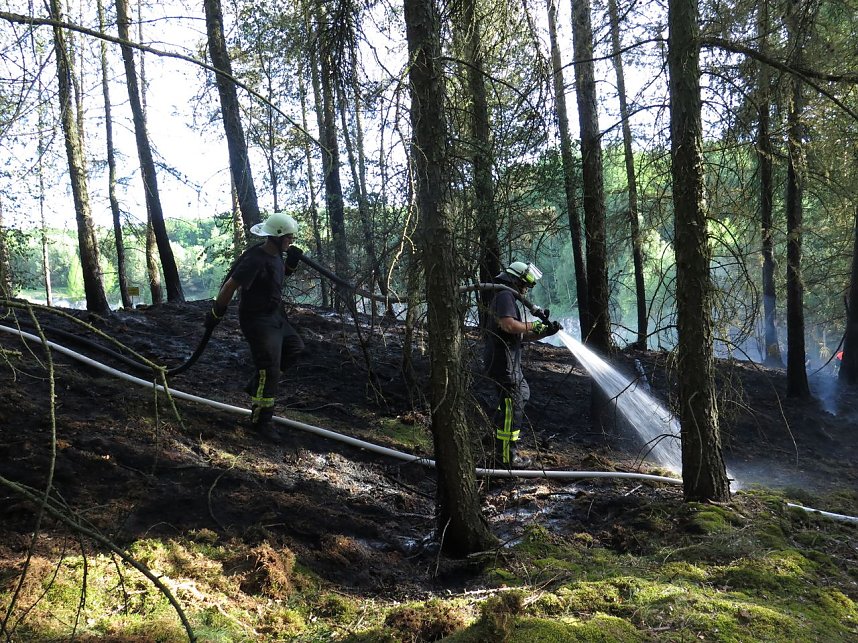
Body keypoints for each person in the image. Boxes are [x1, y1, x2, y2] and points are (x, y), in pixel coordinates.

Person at [204, 211, 305, 441]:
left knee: (295, 348)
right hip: (257, 320)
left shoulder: (278, 255)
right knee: (269, 368)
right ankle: (261, 421)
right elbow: (230, 286)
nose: (292, 242)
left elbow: (277, 276)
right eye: (289, 238)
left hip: (276, 317)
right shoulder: (254, 259)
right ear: (276, 237)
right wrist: (216, 313)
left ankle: (255, 385)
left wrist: (291, 264)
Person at [482, 261, 561, 468]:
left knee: (517, 397)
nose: (526, 290)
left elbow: (519, 335)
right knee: (513, 402)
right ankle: (507, 456)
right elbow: (508, 325)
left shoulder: (504, 296)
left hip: (505, 362)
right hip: (503, 363)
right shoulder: (505, 295)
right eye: (525, 285)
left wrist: (544, 332)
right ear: (516, 280)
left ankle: (499, 446)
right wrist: (534, 324)